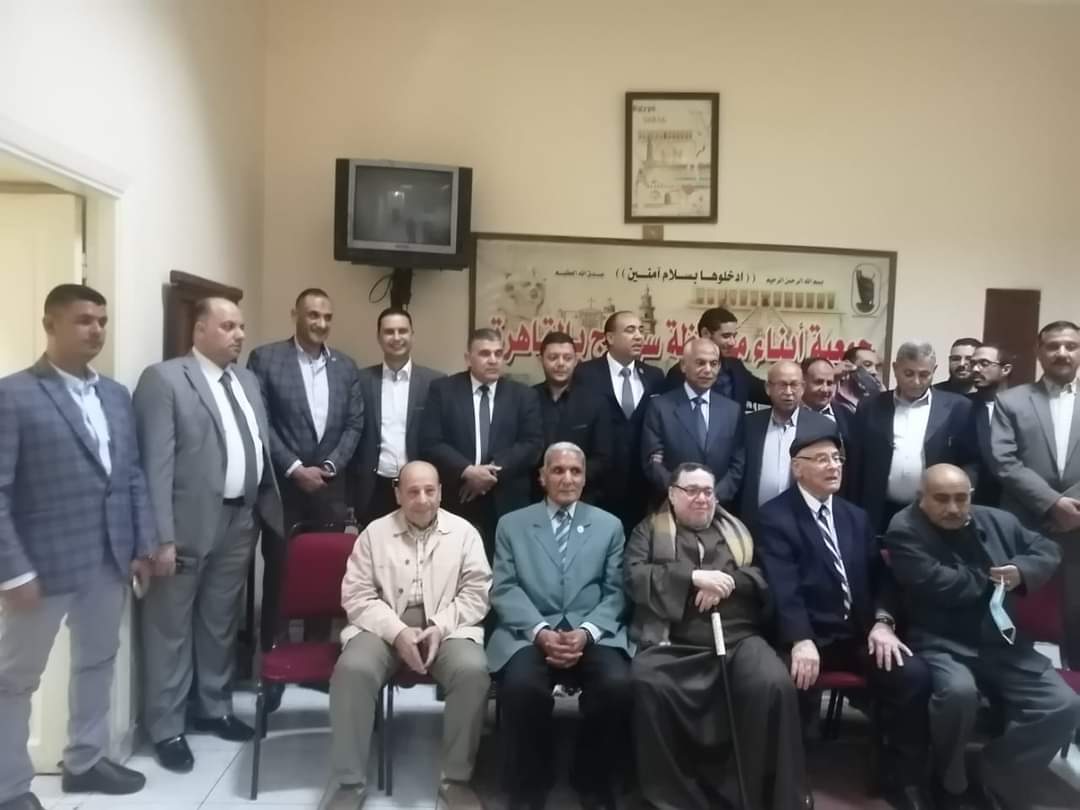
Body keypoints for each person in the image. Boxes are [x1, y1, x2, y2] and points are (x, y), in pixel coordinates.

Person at [0, 285, 153, 809]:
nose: (97, 330)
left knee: (98, 662)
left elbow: (131, 475)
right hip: (39, 568)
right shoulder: (14, 395)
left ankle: (85, 760)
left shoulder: (115, 395)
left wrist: (140, 544)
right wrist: (12, 570)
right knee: (14, 680)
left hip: (108, 560)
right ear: (51, 324)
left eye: (102, 321)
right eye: (85, 320)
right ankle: (10, 787)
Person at [133, 297, 283, 773]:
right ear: (199, 330)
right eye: (228, 326)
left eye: (242, 326)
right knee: (169, 626)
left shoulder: (246, 381)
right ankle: (167, 726)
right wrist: (160, 536)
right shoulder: (164, 380)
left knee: (219, 621)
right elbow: (155, 464)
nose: (240, 335)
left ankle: (213, 707)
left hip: (240, 520)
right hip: (185, 526)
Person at [885, 464, 1080, 810]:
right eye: (942, 499)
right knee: (958, 694)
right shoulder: (904, 528)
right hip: (941, 641)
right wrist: (995, 580)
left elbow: (1048, 550)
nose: (953, 508)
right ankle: (949, 780)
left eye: (961, 499)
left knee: (1063, 705)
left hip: (1004, 642)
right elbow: (941, 585)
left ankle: (994, 772)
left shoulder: (998, 520)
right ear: (921, 498)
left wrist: (1021, 570)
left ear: (971, 497)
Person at [755, 431, 932, 810]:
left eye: (837, 458)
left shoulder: (855, 516)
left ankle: (899, 777)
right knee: (790, 684)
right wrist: (800, 638)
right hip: (808, 636)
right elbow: (783, 586)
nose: (833, 466)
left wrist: (883, 623)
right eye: (821, 459)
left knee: (913, 675)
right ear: (797, 469)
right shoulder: (775, 517)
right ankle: (792, 782)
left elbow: (881, 578)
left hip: (858, 635)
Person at [627, 463, 809, 810]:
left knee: (772, 683)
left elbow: (763, 575)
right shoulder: (647, 531)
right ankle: (675, 798)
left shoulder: (737, 530)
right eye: (692, 491)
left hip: (739, 637)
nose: (702, 498)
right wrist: (693, 578)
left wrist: (727, 582)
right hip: (674, 641)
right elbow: (635, 577)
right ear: (672, 494)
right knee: (646, 682)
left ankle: (762, 795)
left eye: (708, 491)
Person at [325, 461, 491, 810]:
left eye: (430, 490)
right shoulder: (374, 533)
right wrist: (397, 631)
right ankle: (350, 783)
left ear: (441, 492)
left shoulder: (464, 533)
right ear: (398, 494)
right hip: (383, 626)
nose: (422, 499)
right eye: (413, 491)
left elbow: (477, 593)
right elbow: (356, 595)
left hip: (446, 626)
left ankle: (456, 779)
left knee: (472, 671)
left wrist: (441, 626)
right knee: (352, 670)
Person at [489, 443, 631, 810]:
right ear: (542, 477)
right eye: (558, 470)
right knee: (521, 688)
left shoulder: (609, 526)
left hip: (592, 630)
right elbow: (504, 588)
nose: (567, 478)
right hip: (529, 630)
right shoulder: (512, 524)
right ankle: (531, 784)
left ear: (584, 478)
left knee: (617, 686)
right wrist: (539, 630)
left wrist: (586, 632)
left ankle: (591, 779)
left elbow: (617, 592)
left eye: (575, 471)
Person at [246, 288, 364, 673]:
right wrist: (295, 467)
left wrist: (330, 465)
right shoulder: (266, 359)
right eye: (313, 315)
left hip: (330, 488)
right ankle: (273, 661)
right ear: (295, 314)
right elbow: (261, 421)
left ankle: (316, 662)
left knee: (325, 575)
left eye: (327, 317)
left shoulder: (346, 366)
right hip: (284, 488)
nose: (321, 323)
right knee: (281, 570)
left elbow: (354, 424)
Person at [991, 320, 1080, 666]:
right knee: (1019, 616)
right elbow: (1004, 462)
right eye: (1053, 346)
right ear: (1038, 351)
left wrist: (1073, 509)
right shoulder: (1010, 401)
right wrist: (1053, 504)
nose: (1062, 352)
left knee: (1076, 619)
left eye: (1071, 346)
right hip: (1025, 526)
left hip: (1078, 531)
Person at [420, 328, 543, 559]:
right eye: (485, 353)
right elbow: (430, 442)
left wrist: (488, 474)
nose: (493, 360)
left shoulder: (523, 395)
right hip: (458, 495)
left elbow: (532, 444)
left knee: (505, 565)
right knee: (454, 563)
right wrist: (468, 471)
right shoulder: (443, 390)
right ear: (468, 358)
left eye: (498, 353)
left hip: (507, 499)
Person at [848, 341, 974, 533]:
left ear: (934, 370)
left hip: (934, 511)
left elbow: (969, 461)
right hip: (878, 509)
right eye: (908, 373)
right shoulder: (870, 406)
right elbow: (857, 461)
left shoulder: (958, 407)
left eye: (924, 375)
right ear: (895, 368)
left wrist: (962, 504)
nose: (916, 382)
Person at [573, 311, 665, 532]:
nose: (639, 336)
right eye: (630, 330)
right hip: (598, 485)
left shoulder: (654, 376)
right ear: (610, 338)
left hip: (641, 486)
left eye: (641, 330)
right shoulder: (586, 373)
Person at [353, 307, 444, 525]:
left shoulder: (435, 382)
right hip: (374, 486)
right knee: (375, 544)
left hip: (419, 488)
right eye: (389, 332)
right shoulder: (361, 380)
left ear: (412, 335)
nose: (396, 337)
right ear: (379, 337)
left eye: (402, 331)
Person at [641, 338, 745, 507]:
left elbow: (737, 464)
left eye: (713, 364)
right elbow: (653, 463)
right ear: (683, 365)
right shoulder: (660, 407)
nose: (708, 370)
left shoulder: (732, 410)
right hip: (671, 506)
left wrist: (713, 496)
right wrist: (683, 494)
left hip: (717, 506)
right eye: (700, 363)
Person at [736, 360, 834, 523]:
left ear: (802, 388)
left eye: (794, 385)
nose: (788, 392)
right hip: (755, 521)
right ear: (768, 388)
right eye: (782, 385)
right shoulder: (750, 424)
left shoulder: (823, 427)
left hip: (803, 522)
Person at [532, 331, 611, 504]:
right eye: (553, 357)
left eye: (567, 358)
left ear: (576, 361)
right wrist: (546, 477)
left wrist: (571, 476)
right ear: (540, 360)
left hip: (584, 497)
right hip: (535, 496)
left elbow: (603, 457)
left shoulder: (596, 402)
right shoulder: (528, 398)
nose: (561, 363)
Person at [663, 307, 769, 408]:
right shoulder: (680, 373)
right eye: (726, 336)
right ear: (705, 333)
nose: (733, 342)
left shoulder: (736, 367)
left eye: (734, 336)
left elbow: (764, 392)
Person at [968, 343, 1013, 507]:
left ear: (1005, 369)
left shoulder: (1023, 405)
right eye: (973, 363)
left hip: (1014, 497)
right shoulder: (963, 407)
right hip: (975, 500)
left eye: (984, 363)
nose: (975, 369)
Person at [833, 344, 883, 415]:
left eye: (877, 367)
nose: (875, 372)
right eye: (867, 365)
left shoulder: (879, 398)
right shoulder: (831, 396)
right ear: (848, 366)